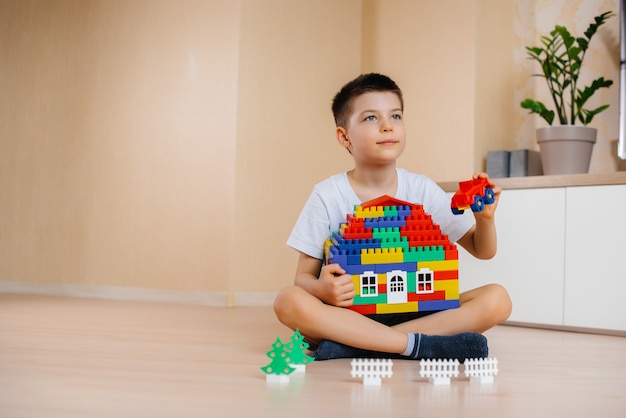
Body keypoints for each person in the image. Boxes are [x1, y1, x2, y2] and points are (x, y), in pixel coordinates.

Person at [273, 73, 512, 362]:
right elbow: (302, 279)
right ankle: (418, 346)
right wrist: (324, 289)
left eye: (396, 116)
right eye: (371, 118)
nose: (387, 126)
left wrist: (485, 219)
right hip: (351, 313)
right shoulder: (327, 195)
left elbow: (482, 250)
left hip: (418, 309)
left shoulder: (421, 188)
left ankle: (361, 347)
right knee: (287, 300)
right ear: (344, 136)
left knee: (498, 299)